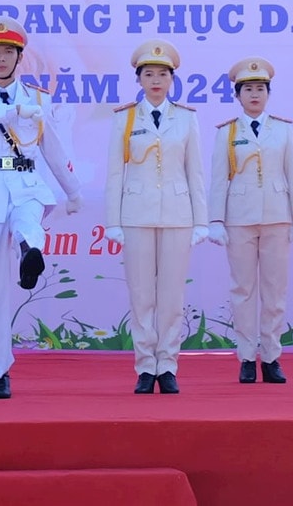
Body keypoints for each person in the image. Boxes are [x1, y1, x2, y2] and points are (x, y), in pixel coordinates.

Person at [0, 17, 82, 399]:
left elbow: (54, 148)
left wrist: (72, 192)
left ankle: (31, 250)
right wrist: (12, 112)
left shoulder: (39, 99)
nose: (1, 58)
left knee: (30, 221)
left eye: (8, 51)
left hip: (26, 182)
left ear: (20, 56)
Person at [104, 41, 208, 395]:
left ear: (172, 79)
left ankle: (168, 364)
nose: (156, 80)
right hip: (135, 214)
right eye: (149, 74)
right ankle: (145, 366)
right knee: (141, 295)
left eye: (163, 74)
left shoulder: (187, 118)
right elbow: (115, 173)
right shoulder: (125, 117)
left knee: (171, 296)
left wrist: (201, 220)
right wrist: (113, 221)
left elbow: (195, 172)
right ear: (139, 79)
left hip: (178, 215)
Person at [207, 57, 293, 386]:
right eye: (248, 89)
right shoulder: (227, 132)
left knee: (274, 291)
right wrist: (215, 220)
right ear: (237, 95)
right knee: (243, 290)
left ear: (268, 93)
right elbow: (219, 179)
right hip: (239, 219)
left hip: (278, 218)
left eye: (260, 89)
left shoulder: (282, 129)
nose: (255, 94)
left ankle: (272, 356)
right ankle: (247, 357)